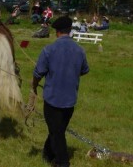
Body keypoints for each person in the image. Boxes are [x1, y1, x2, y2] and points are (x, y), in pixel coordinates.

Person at [31, 16, 89, 167]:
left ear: (57, 32)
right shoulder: (80, 50)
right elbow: (84, 70)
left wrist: (34, 87)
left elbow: (38, 73)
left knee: (57, 132)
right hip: (70, 99)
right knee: (57, 129)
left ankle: (63, 162)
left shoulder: (48, 50)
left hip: (52, 99)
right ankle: (47, 153)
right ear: (70, 31)